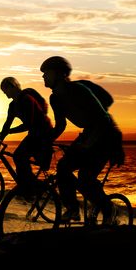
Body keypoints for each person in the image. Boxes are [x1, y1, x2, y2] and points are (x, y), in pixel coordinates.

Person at [40, 56, 125, 223]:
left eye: (46, 73)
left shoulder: (78, 90)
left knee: (85, 178)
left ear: (59, 74)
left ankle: (110, 210)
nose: (43, 76)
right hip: (88, 133)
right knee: (63, 167)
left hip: (106, 135)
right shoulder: (55, 98)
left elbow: (103, 119)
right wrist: (45, 141)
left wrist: (88, 144)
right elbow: (60, 125)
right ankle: (72, 209)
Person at [0, 76, 53, 194]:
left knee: (19, 156)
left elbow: (28, 125)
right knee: (21, 158)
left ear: (12, 87)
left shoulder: (27, 99)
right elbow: (7, 124)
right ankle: (28, 186)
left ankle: (33, 186)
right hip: (34, 133)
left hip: (44, 132)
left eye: (5, 90)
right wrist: (0, 139)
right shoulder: (12, 106)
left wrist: (10, 132)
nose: (5, 93)